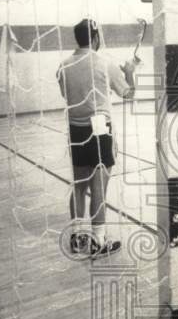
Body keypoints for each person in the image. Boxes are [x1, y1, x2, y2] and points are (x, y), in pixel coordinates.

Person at [57, 18, 137, 258]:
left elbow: (66, 95)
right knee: (99, 188)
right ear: (94, 38)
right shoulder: (105, 63)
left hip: (75, 130)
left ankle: (77, 237)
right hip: (100, 131)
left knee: (79, 187)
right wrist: (130, 74)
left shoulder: (63, 66)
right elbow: (128, 94)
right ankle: (99, 242)